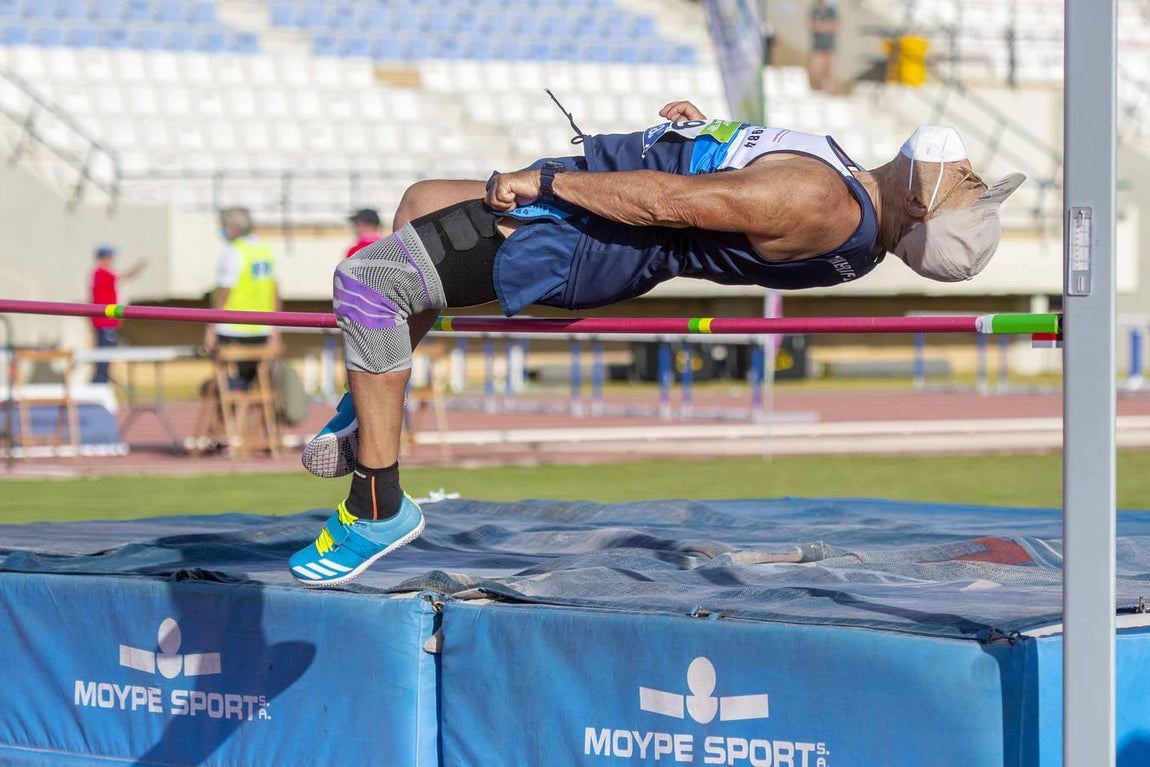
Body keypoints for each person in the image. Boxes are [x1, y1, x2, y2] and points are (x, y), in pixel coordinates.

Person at [287, 99, 1025, 586]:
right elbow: (720, 190)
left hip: (583, 236)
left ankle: (377, 501)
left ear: (923, 202)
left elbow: (668, 203)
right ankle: (367, 415)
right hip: (602, 222)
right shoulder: (850, 198)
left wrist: (545, 182)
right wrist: (700, 137)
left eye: (967, 183)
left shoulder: (822, 201)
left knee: (369, 285)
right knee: (421, 203)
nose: (970, 172)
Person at [204, 207, 281, 386]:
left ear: (232, 227)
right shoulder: (265, 251)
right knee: (253, 382)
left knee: (225, 381)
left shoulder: (233, 253)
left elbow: (224, 293)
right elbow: (275, 291)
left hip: (232, 330)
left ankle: (231, 409)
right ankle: (241, 409)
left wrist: (210, 328)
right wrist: (274, 327)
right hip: (261, 330)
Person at [88, 245, 146, 383]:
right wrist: (138, 267)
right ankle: (99, 384)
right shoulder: (102, 273)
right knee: (104, 357)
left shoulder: (100, 273)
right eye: (111, 257)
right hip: (104, 322)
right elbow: (125, 276)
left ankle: (100, 382)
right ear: (105, 257)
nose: (113, 260)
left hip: (107, 322)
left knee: (106, 356)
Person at [808, 0, 838, 92]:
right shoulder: (814, 11)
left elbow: (835, 27)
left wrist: (821, 26)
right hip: (818, 47)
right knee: (816, 72)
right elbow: (813, 26)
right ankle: (817, 92)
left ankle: (828, 93)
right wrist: (826, 26)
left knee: (829, 73)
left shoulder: (831, 11)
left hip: (830, 47)